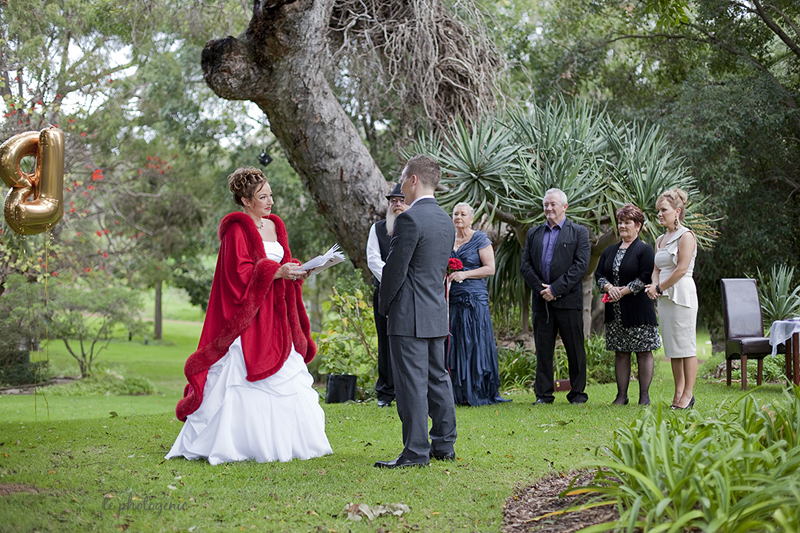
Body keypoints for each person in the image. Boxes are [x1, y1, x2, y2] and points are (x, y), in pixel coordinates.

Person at [167, 167, 332, 464]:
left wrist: (296, 269)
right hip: (250, 316)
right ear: (244, 200)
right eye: (262, 197)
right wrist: (275, 271)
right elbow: (237, 273)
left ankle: (291, 444)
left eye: (270, 195)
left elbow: (282, 260)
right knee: (238, 378)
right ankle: (236, 445)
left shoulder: (275, 225)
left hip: (278, 313)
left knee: (290, 377)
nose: (270, 202)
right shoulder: (236, 229)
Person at [376, 154, 457, 468]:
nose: (400, 185)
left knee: (410, 384)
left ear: (413, 180)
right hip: (436, 311)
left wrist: (384, 307)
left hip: (408, 314)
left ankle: (415, 452)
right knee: (438, 379)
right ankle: (444, 445)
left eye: (402, 178)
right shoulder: (445, 220)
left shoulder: (409, 219)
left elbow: (394, 271)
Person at [520, 188, 590, 405]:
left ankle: (577, 394)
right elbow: (525, 265)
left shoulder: (579, 232)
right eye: (546, 205)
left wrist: (555, 289)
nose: (548, 208)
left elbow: (581, 266)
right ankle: (543, 394)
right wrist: (543, 290)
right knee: (543, 349)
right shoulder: (534, 233)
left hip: (568, 301)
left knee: (575, 349)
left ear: (565, 207)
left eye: (553, 204)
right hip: (542, 302)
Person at [595, 204, 660, 406]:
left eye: (627, 222)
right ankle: (621, 395)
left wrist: (621, 291)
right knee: (621, 352)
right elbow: (599, 274)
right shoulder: (609, 250)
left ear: (638, 226)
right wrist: (608, 287)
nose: (622, 226)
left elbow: (645, 276)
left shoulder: (645, 249)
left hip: (639, 310)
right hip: (615, 312)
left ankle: (644, 396)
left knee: (643, 351)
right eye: (620, 222)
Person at [447, 202, 510, 406]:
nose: (458, 217)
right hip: (453, 299)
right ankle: (458, 391)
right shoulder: (448, 240)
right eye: (455, 213)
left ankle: (478, 389)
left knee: (474, 341)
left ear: (471, 218)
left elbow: (490, 268)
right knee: (456, 341)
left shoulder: (480, 239)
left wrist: (465, 273)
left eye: (463, 214)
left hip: (475, 298)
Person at [645, 188, 698, 410]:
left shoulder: (686, 236)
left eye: (663, 210)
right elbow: (657, 268)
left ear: (677, 212)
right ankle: (677, 391)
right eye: (658, 211)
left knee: (686, 346)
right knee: (673, 347)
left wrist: (659, 286)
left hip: (682, 295)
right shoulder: (660, 239)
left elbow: (681, 268)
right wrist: (654, 285)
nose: (659, 214)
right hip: (664, 296)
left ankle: (688, 394)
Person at [366, 182, 407, 407]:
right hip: (384, 292)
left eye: (401, 200)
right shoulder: (378, 228)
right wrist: (393, 279)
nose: (397, 204)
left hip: (409, 293)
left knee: (407, 341)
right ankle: (385, 392)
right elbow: (373, 259)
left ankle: (406, 390)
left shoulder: (414, 225)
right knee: (385, 340)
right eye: (393, 201)